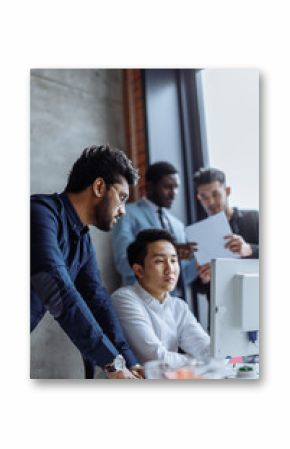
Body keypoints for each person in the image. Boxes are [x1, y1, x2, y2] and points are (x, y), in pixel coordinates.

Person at [31, 144, 144, 379]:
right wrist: (113, 365)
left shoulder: (82, 239)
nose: (123, 211)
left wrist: (129, 362)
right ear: (100, 186)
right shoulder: (38, 213)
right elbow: (57, 289)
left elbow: (97, 301)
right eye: (121, 198)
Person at [112, 229, 210, 368]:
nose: (170, 269)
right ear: (139, 270)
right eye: (159, 261)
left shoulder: (178, 306)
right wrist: (201, 363)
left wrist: (226, 357)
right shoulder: (124, 299)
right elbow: (155, 357)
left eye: (174, 260)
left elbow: (204, 347)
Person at [111, 161, 197, 295]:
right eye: (168, 187)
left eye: (176, 187)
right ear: (150, 186)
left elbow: (182, 277)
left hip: (173, 306)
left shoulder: (178, 225)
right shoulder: (127, 214)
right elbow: (123, 263)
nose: (173, 193)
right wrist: (166, 255)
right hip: (140, 301)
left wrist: (198, 262)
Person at [193, 167, 259, 297]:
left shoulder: (254, 218)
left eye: (215, 194)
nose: (210, 202)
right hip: (221, 310)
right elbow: (200, 289)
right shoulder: (199, 235)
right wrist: (205, 279)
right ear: (198, 198)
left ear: (227, 191)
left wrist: (249, 249)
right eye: (204, 197)